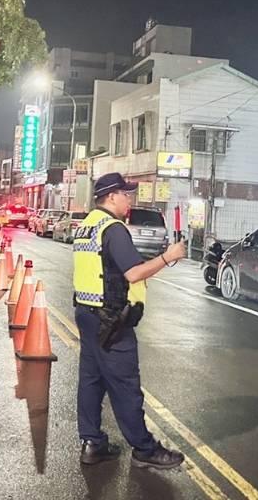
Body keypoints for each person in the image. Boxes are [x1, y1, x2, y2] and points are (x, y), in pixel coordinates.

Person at [73, 172, 187, 470]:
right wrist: (168, 256)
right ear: (111, 197)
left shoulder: (88, 226)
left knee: (91, 380)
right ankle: (144, 448)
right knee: (125, 385)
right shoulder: (113, 229)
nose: (130, 200)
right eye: (126, 194)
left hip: (86, 313)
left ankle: (92, 442)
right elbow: (133, 273)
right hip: (111, 320)